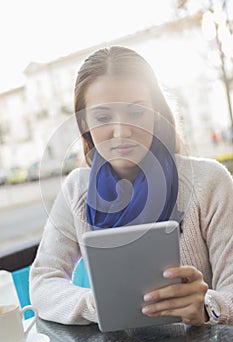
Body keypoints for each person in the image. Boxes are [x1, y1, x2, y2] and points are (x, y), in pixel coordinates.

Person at [30, 46, 233, 326]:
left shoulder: (210, 180)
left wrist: (207, 306)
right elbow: (43, 282)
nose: (121, 132)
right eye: (102, 117)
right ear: (84, 122)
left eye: (136, 113)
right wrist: (97, 304)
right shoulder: (77, 188)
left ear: (156, 113)